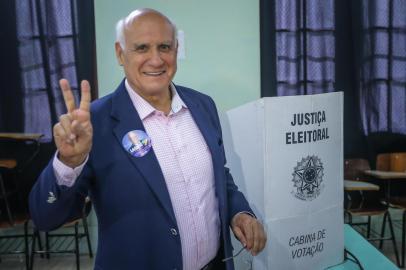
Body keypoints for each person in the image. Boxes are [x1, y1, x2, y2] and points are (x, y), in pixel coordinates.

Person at [29, 8, 266, 270]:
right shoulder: (95, 122)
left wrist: (239, 213)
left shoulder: (203, 105)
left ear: (176, 49)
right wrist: (69, 162)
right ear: (120, 53)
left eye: (164, 47)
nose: (156, 60)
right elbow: (46, 217)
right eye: (142, 48)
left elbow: (219, 178)